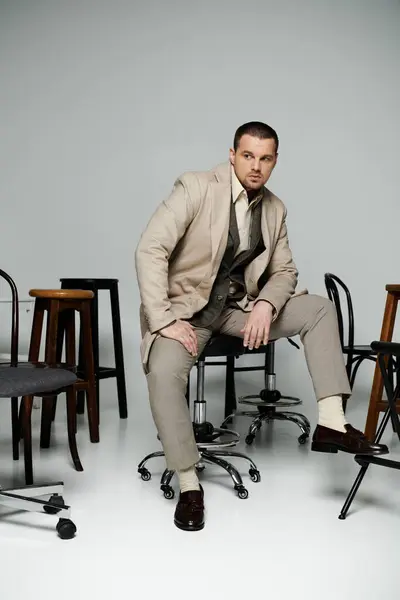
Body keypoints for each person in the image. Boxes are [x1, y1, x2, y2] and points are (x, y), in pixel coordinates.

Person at [135, 121, 388, 532]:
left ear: (274, 162)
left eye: (265, 158)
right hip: (186, 314)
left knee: (319, 308)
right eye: (248, 156)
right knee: (163, 371)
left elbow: (285, 269)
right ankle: (188, 483)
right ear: (233, 155)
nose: (256, 166)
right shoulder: (196, 187)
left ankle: (331, 423)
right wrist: (163, 319)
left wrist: (267, 304)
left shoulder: (275, 208)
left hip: (238, 311)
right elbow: (150, 248)